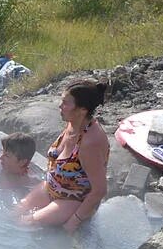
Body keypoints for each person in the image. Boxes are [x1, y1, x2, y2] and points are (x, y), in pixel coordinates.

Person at [17, 79, 111, 232]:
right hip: (52, 187)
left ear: (82, 110)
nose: (60, 106)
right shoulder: (73, 123)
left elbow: (100, 190)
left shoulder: (89, 143)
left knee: (26, 225)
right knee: (16, 212)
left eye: (66, 103)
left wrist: (74, 220)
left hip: (73, 201)